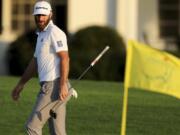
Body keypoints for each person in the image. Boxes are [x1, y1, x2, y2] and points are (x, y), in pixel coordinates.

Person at [11, 1, 70, 134]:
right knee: (58, 132)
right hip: (51, 86)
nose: (40, 18)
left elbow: (65, 58)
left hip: (54, 86)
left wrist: (62, 85)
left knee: (32, 127)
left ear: (50, 14)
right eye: (38, 15)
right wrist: (20, 84)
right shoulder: (41, 35)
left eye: (43, 15)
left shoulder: (55, 32)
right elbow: (35, 63)